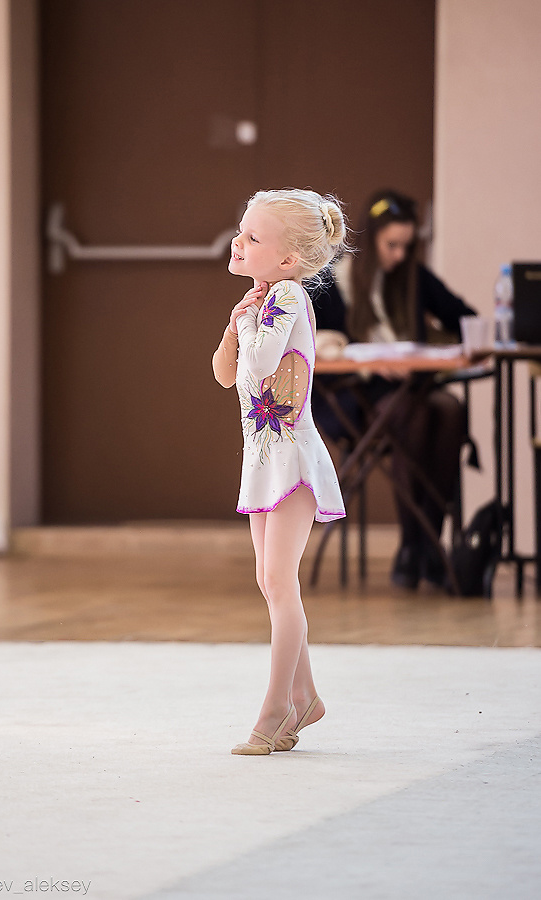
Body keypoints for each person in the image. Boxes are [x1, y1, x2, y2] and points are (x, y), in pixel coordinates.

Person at [212, 188, 346, 755]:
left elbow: (261, 365)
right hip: (264, 461)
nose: (238, 242)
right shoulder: (261, 302)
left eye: (253, 238)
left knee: (282, 585)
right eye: (241, 231)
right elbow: (225, 375)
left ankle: (276, 711)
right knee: (270, 581)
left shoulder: (288, 296)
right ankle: (306, 695)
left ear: (288, 259)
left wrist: (249, 325)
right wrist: (234, 323)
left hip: (292, 463)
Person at [308, 189, 476, 590]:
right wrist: (362, 357)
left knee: (449, 411)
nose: (399, 255)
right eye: (391, 245)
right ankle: (416, 545)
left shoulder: (414, 278)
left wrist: (436, 339)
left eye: (407, 245)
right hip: (354, 397)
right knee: (410, 417)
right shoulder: (336, 280)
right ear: (371, 243)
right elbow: (310, 338)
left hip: (410, 390)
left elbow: (466, 319)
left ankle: (424, 546)